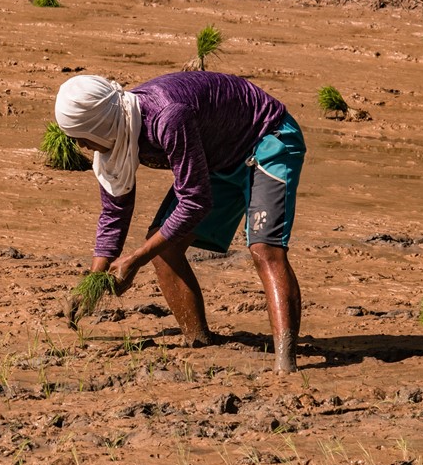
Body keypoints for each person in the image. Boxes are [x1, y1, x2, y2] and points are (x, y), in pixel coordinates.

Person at [55, 71, 306, 373]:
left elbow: (195, 202)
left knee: (265, 249)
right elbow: (114, 212)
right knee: (164, 246)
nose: (83, 147)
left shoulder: (167, 117)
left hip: (267, 139)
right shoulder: (120, 127)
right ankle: (200, 342)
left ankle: (286, 364)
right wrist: (93, 281)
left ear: (99, 127)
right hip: (216, 156)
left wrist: (135, 260)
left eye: (82, 138)